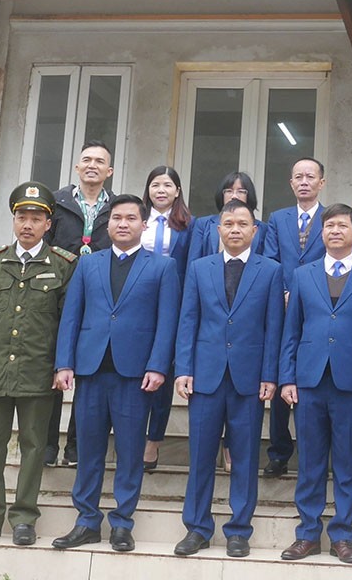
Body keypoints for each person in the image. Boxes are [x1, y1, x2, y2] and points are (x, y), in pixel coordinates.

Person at [51, 195, 181, 553]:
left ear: (143, 225)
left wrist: (158, 366)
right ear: (108, 225)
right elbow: (72, 316)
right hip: (91, 370)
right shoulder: (88, 265)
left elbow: (167, 322)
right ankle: (86, 521)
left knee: (129, 450)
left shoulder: (162, 267)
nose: (123, 224)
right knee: (89, 449)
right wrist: (64, 363)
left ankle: (123, 522)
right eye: (117, 219)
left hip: (135, 374)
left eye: (131, 218)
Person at [0, 182, 77, 547]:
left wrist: (62, 366)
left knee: (35, 445)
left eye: (36, 218)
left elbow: (67, 323)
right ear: (14, 220)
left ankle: (24, 517)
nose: (28, 224)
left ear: (48, 224)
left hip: (39, 372)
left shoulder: (63, 266)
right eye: (22, 216)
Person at [277, 204, 352, 564]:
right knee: (309, 461)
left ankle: (343, 535)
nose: (335, 231)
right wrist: (287, 377)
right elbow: (290, 331)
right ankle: (307, 534)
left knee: (347, 462)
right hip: (309, 381)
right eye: (329, 226)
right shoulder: (302, 275)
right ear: (322, 234)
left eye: (342, 226)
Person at [172, 199, 284, 559]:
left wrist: (270, 375)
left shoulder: (270, 270)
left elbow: (273, 327)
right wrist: (183, 368)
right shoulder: (200, 268)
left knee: (246, 455)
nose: (235, 229)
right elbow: (188, 319)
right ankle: (197, 527)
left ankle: (238, 529)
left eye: (242, 224)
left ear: (255, 230)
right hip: (205, 374)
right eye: (228, 224)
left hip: (249, 378)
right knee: (201, 454)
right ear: (218, 230)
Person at [43, 140, 114, 469]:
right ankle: (46, 445)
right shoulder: (55, 203)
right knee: (53, 369)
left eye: (100, 161)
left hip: (97, 299)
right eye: (86, 159)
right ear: (76, 166)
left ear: (109, 171)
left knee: (87, 373)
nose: (92, 165)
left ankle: (75, 447)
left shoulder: (115, 207)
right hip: (56, 294)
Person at [262, 157, 327, 478]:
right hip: (283, 307)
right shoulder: (277, 218)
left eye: (310, 177)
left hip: (319, 309)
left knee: (313, 380)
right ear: (291, 183)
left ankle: (312, 453)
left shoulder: (331, 218)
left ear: (321, 183)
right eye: (298, 177)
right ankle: (278, 452)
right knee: (280, 376)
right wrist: (285, 292)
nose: (304, 181)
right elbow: (271, 259)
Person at [141, 166, 192, 473]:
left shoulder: (190, 225)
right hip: (138, 304)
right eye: (155, 184)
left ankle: (154, 440)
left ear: (177, 191)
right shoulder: (135, 219)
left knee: (162, 375)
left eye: (167, 185)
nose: (161, 190)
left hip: (173, 304)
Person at [186, 171, 272, 261]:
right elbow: (193, 262)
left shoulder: (262, 229)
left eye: (241, 191)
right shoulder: (203, 224)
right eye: (229, 191)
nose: (234, 196)